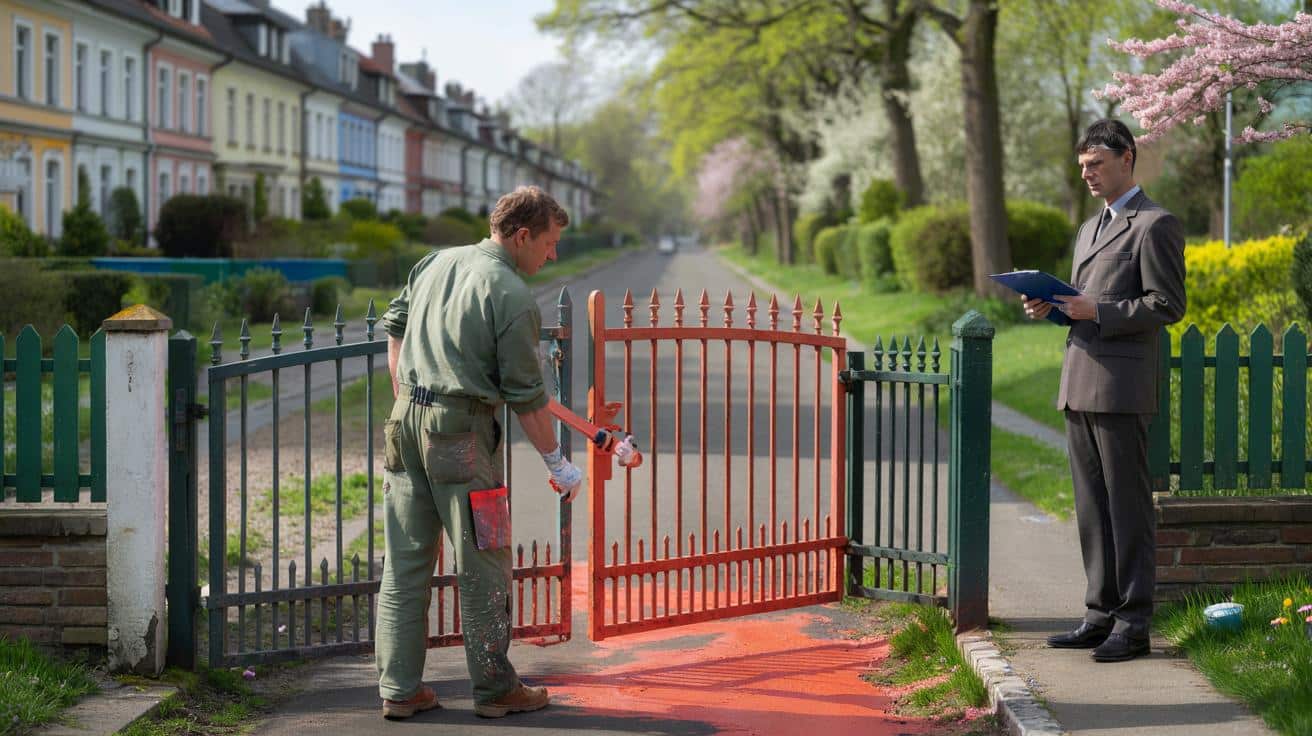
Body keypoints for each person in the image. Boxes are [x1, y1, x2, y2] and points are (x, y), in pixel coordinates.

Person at [375, 185, 584, 718]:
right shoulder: (511, 295)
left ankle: (399, 691)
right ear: (521, 236)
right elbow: (526, 396)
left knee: (404, 564)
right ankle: (495, 690)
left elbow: (393, 328)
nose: (552, 254)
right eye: (549, 242)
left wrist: (405, 389)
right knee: (484, 563)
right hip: (462, 439)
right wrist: (556, 462)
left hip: (404, 426)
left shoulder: (436, 261)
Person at [1023, 119, 1186, 663]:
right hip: (1078, 383)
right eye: (1083, 167)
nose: (1088, 175)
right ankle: (1098, 614)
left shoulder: (1155, 224)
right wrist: (1052, 308)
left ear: (1127, 158)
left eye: (1095, 164)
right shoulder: (1089, 230)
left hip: (1121, 388)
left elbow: (1167, 306)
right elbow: (1082, 310)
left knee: (1127, 508)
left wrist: (1103, 310)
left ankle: (1134, 624)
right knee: (1092, 508)